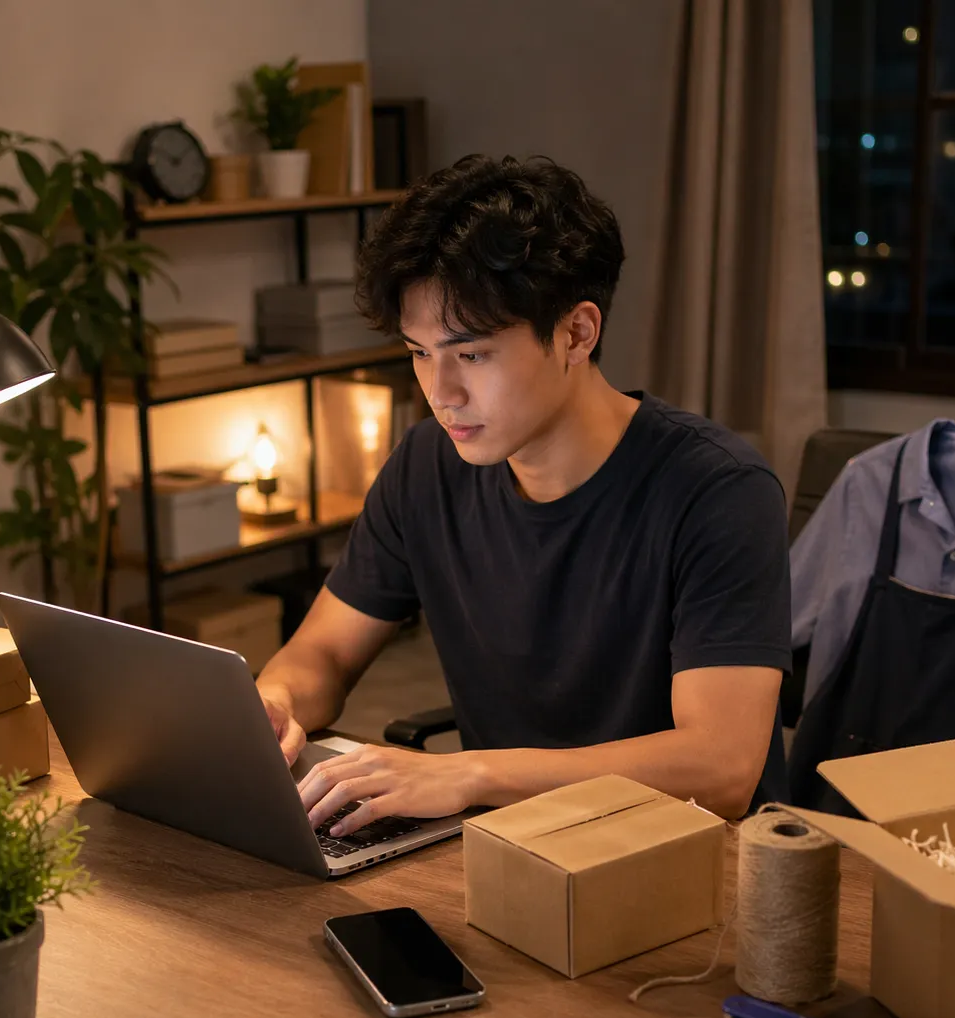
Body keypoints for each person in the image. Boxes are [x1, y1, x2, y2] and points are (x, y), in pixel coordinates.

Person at [256, 154, 791, 839]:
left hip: (682, 856)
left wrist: (471, 773)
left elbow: (721, 767)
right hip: (508, 847)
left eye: (471, 355)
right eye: (419, 353)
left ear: (577, 333)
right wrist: (277, 701)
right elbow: (324, 654)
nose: (441, 393)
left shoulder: (717, 490)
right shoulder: (426, 466)